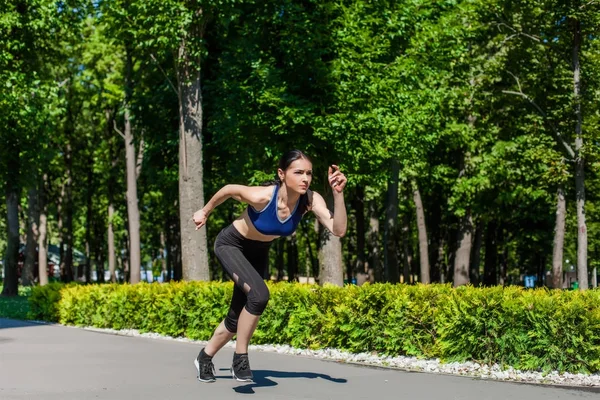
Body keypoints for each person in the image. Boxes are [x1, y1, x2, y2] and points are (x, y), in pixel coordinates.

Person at [191, 150, 347, 383]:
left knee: (236, 318)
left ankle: (204, 357)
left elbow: (338, 229)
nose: (305, 178)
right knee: (259, 295)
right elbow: (228, 190)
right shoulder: (262, 196)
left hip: (258, 252)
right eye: (298, 172)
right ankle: (240, 357)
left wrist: (338, 195)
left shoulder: (310, 200)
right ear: (282, 174)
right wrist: (205, 211)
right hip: (232, 245)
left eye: (309, 173)